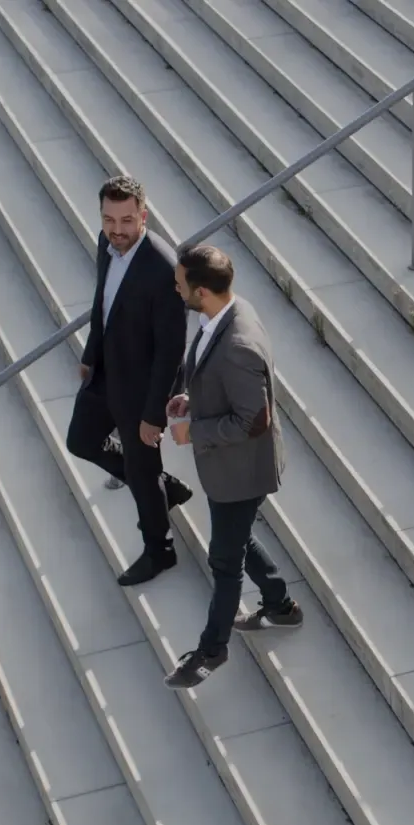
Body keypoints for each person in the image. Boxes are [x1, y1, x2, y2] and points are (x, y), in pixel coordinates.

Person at [164, 245, 303, 689]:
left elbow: (255, 420)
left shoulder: (239, 343)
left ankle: (211, 650)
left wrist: (193, 432)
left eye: (180, 282)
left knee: (224, 561)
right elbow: (215, 372)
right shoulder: (226, 309)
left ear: (201, 291)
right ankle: (281, 605)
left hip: (241, 471)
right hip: (231, 469)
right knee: (235, 540)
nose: (175, 286)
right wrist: (195, 398)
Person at [66, 176, 192, 586]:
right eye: (108, 219)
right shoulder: (107, 244)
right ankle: (163, 488)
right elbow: (102, 302)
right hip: (105, 371)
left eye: (126, 221)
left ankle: (161, 550)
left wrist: (154, 414)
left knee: (142, 470)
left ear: (143, 216)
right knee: (80, 441)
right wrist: (89, 356)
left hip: (141, 388)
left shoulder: (162, 269)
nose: (116, 230)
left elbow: (171, 351)